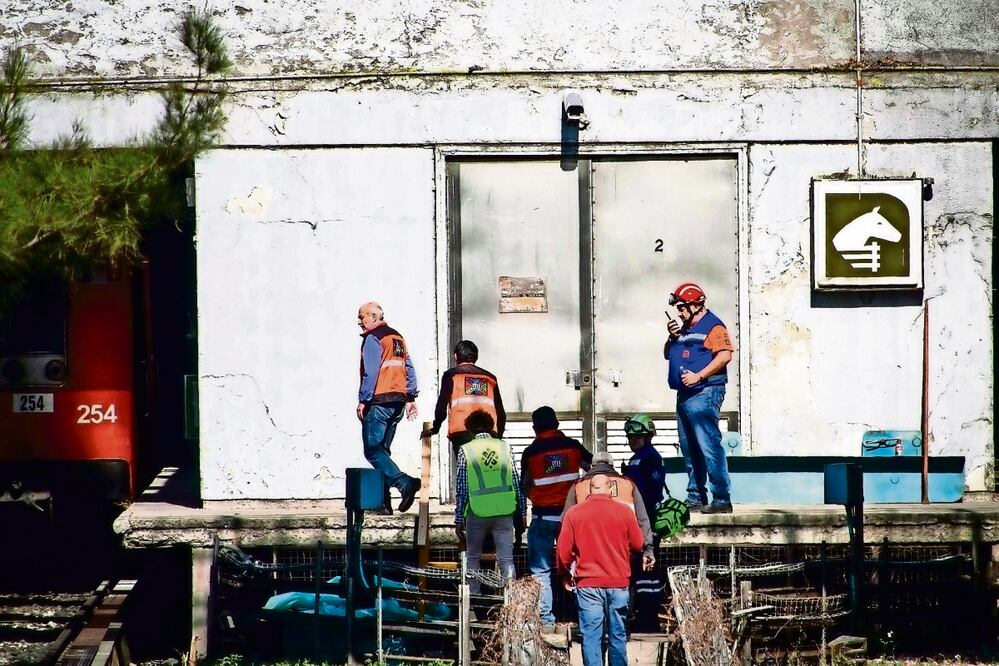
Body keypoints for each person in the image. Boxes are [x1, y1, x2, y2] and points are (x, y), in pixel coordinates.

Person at [557, 474, 647, 666]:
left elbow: (563, 552)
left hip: (587, 584)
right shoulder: (624, 512)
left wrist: (565, 574)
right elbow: (639, 544)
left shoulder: (574, 513)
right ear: (610, 488)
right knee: (618, 634)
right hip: (619, 582)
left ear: (590, 488)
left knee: (591, 635)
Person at [664, 281, 734, 514]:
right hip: (684, 395)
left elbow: (724, 356)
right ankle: (696, 495)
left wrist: (699, 376)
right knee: (689, 448)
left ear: (696, 305)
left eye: (683, 307)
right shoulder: (683, 328)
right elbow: (668, 354)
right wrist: (672, 337)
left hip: (704, 392)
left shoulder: (714, 326)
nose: (679, 312)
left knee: (708, 445)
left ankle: (722, 499)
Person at [520, 406, 592, 626]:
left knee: (541, 571)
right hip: (572, 519)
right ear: (557, 424)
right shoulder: (572, 446)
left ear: (535, 428)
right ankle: (587, 618)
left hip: (542, 518)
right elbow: (594, 469)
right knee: (579, 567)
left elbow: (524, 485)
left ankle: (546, 622)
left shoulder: (531, 453)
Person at [357, 301, 421, 512]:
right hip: (397, 402)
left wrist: (364, 400)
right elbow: (408, 367)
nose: (359, 321)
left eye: (362, 316)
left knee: (373, 451)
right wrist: (410, 396)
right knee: (382, 452)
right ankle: (384, 504)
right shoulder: (397, 338)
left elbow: (371, 372)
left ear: (373, 317)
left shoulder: (373, 338)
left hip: (380, 401)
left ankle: (404, 483)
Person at [454, 409, 527, 595]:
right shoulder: (504, 447)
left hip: (477, 512)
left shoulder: (466, 450)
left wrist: (459, 519)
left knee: (472, 557)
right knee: (506, 560)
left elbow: (462, 487)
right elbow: (516, 482)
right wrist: (523, 512)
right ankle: (510, 601)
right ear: (491, 427)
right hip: (504, 510)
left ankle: (475, 599)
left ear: (470, 430)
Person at [422, 339, 507, 457]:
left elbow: (441, 405)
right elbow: (500, 412)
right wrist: (499, 436)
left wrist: (436, 427)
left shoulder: (452, 375)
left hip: (461, 432)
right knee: (487, 471)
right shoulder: (490, 378)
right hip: (489, 433)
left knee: (466, 470)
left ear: (456, 356)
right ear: (476, 357)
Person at [622, 414, 666, 632]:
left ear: (647, 437)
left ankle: (649, 619)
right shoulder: (638, 457)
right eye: (630, 437)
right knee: (640, 573)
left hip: (646, 523)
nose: (632, 440)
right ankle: (642, 615)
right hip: (638, 523)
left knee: (647, 573)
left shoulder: (650, 458)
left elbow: (650, 492)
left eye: (637, 437)